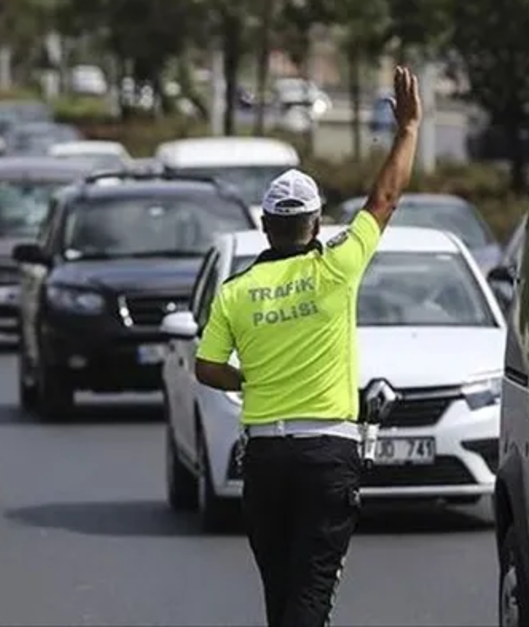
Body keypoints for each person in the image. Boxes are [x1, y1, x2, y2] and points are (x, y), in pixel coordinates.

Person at [193, 66, 422, 627]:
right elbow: (385, 197)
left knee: (282, 595)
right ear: (316, 224)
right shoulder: (337, 267)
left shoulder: (236, 292)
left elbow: (205, 367)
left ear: (266, 226)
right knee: (310, 595)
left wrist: (251, 379)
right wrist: (408, 129)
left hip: (267, 460)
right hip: (327, 458)